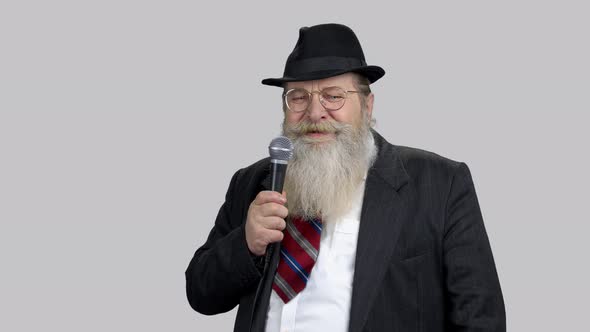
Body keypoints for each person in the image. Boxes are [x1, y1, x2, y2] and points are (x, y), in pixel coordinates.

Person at [185, 23, 505, 332]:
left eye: (333, 95)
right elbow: (200, 293)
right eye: (298, 97)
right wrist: (245, 244)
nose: (314, 113)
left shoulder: (440, 184)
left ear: (367, 105)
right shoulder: (252, 182)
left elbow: (480, 319)